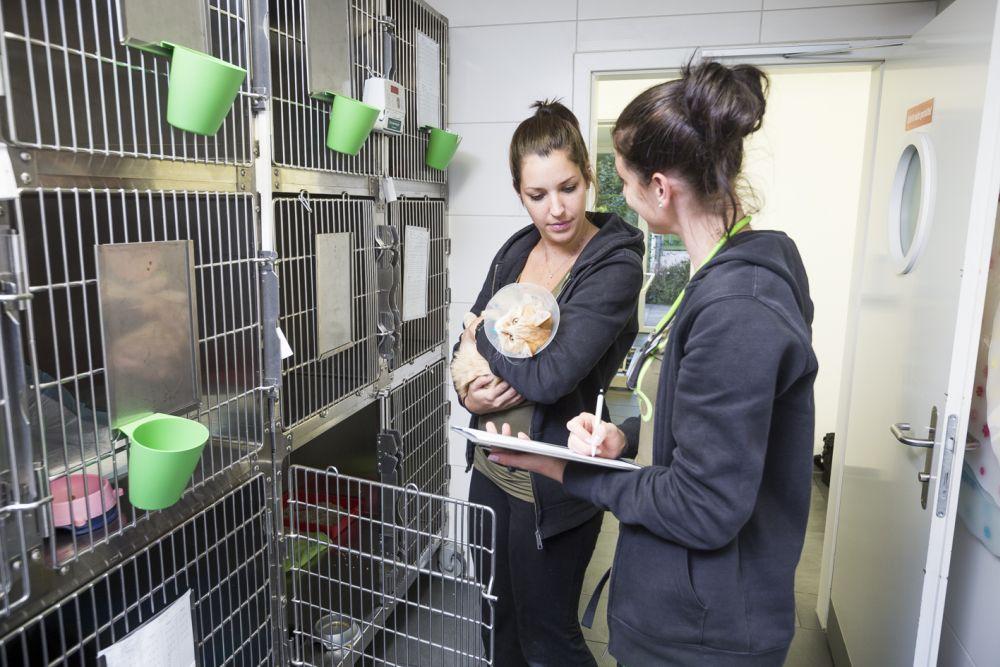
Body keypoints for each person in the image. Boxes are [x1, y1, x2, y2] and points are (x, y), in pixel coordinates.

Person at [486, 61, 818, 666]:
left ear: (660, 189)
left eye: (617, 180)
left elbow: (704, 505)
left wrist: (562, 469)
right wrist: (626, 440)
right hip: (687, 610)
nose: (617, 196)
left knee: (546, 630)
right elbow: (709, 438)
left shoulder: (737, 309)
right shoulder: (725, 281)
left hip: (703, 631)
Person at [453, 100, 644, 666]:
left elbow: (553, 374)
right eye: (538, 196)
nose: (557, 209)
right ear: (519, 192)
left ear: (589, 175)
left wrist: (480, 338)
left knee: (548, 637)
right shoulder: (516, 249)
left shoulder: (613, 265)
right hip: (491, 468)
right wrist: (467, 389)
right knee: (495, 622)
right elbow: (466, 338)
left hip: (555, 484)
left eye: (568, 187)